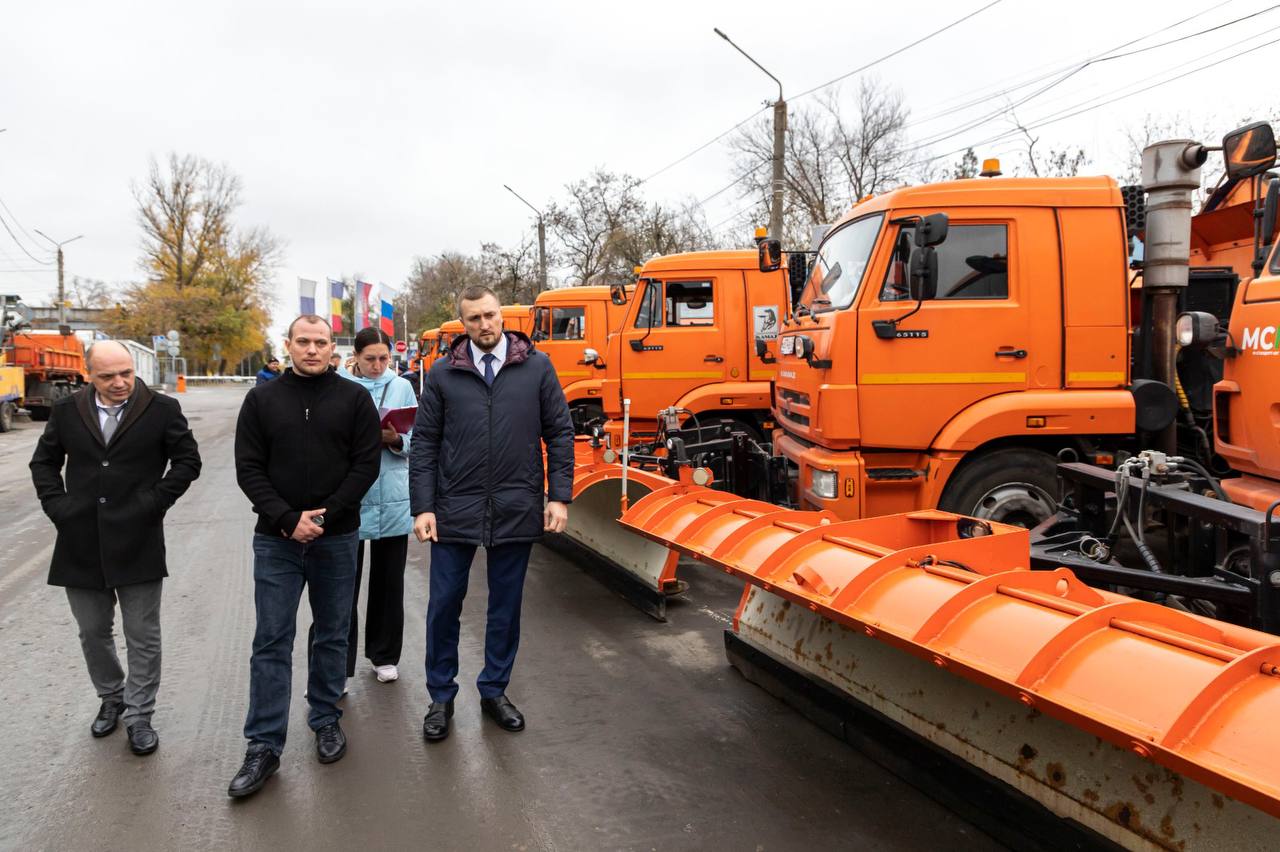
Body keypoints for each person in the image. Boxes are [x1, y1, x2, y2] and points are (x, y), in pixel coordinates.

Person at [410, 285, 574, 742]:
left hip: (516, 505)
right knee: (444, 605)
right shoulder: (443, 373)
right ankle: (441, 697)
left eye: (490, 315)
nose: (484, 324)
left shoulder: (537, 367)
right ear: (462, 324)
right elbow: (424, 442)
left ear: (502, 315)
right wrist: (423, 506)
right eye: (474, 318)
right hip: (453, 507)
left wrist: (559, 496)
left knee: (505, 607)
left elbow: (560, 432)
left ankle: (494, 690)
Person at [228, 315, 381, 798]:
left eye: (320, 342)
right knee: (272, 639)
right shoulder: (262, 400)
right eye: (303, 342)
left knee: (332, 632)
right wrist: (286, 518)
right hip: (276, 540)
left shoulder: (354, 399)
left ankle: (325, 718)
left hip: (337, 539)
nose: (312, 350)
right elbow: (248, 467)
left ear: (333, 348)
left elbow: (366, 464)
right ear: (288, 345)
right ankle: (263, 744)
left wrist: (327, 516)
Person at [29, 340, 201, 756]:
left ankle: (140, 715)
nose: (120, 382)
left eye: (126, 373)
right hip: (79, 541)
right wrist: (58, 507)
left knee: (142, 634)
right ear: (89, 374)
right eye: (108, 376)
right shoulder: (67, 410)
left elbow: (188, 462)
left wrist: (153, 503)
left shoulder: (162, 409)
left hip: (138, 538)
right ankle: (111, 697)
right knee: (92, 631)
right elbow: (43, 462)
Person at [310, 327, 416, 685]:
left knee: (389, 582)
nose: (378, 365)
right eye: (370, 358)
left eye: (384, 358)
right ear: (354, 356)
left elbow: (418, 439)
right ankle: (337, 665)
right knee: (340, 586)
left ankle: (384, 655)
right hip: (347, 496)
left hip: (393, 496)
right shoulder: (337, 386)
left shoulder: (401, 386)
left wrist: (397, 439)